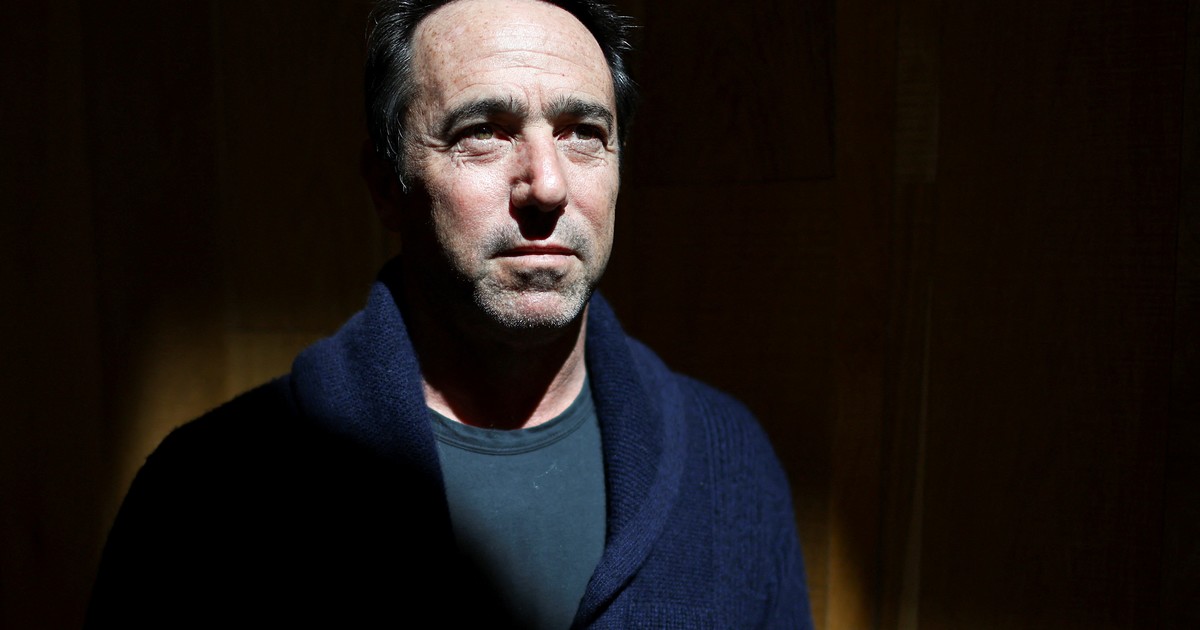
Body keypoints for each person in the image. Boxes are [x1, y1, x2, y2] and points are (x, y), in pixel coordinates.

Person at [87, 0, 814, 627]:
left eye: (583, 133)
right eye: (483, 132)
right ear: (387, 186)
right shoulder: (208, 496)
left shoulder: (727, 464)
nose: (547, 185)